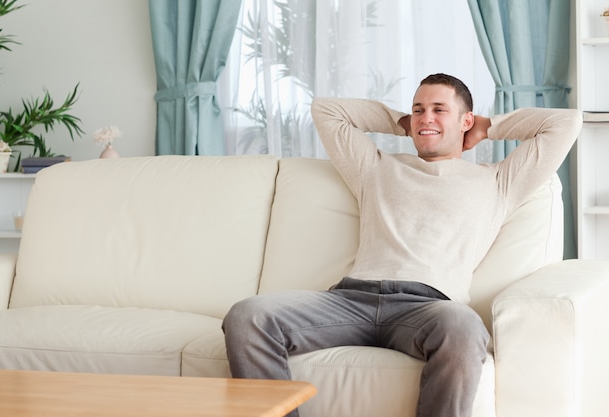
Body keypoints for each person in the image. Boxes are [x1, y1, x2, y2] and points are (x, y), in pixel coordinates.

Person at [221, 73, 582, 417]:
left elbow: (565, 123)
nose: (426, 117)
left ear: (466, 120)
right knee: (247, 316)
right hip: (351, 300)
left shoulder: (498, 181)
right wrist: (403, 121)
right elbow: (327, 109)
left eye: (439, 109)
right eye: (418, 109)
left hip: (428, 308)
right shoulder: (375, 167)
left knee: (465, 328)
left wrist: (489, 127)